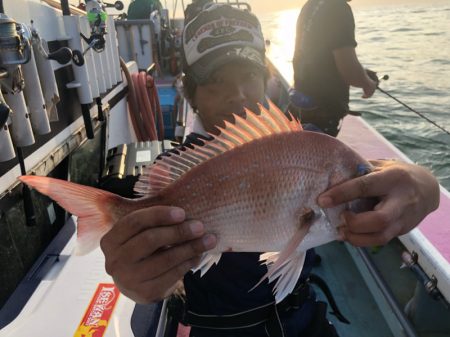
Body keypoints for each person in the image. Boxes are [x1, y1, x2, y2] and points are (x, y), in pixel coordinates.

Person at [100, 3, 440, 337]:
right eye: (216, 80)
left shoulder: (310, 144)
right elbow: (158, 282)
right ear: (191, 94)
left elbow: (375, 177)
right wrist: (140, 285)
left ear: (266, 79)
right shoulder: (172, 172)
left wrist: (422, 186)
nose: (237, 94)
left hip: (302, 319)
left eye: (248, 75)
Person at [290, 0, 378, 137]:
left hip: (300, 107)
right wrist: (368, 83)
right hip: (322, 114)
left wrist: (363, 74)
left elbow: (317, 58)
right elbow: (350, 71)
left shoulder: (310, 5)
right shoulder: (339, 8)